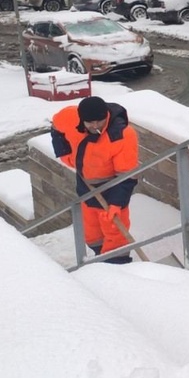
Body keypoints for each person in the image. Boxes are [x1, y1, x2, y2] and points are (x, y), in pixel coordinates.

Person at [50, 96, 140, 264]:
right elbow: (56, 127)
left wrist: (116, 203)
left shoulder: (122, 135)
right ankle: (101, 260)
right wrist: (64, 152)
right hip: (86, 188)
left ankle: (118, 267)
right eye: (90, 122)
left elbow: (127, 176)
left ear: (106, 115)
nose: (95, 126)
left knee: (116, 238)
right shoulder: (70, 117)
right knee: (92, 236)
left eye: (100, 121)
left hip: (112, 192)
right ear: (81, 119)